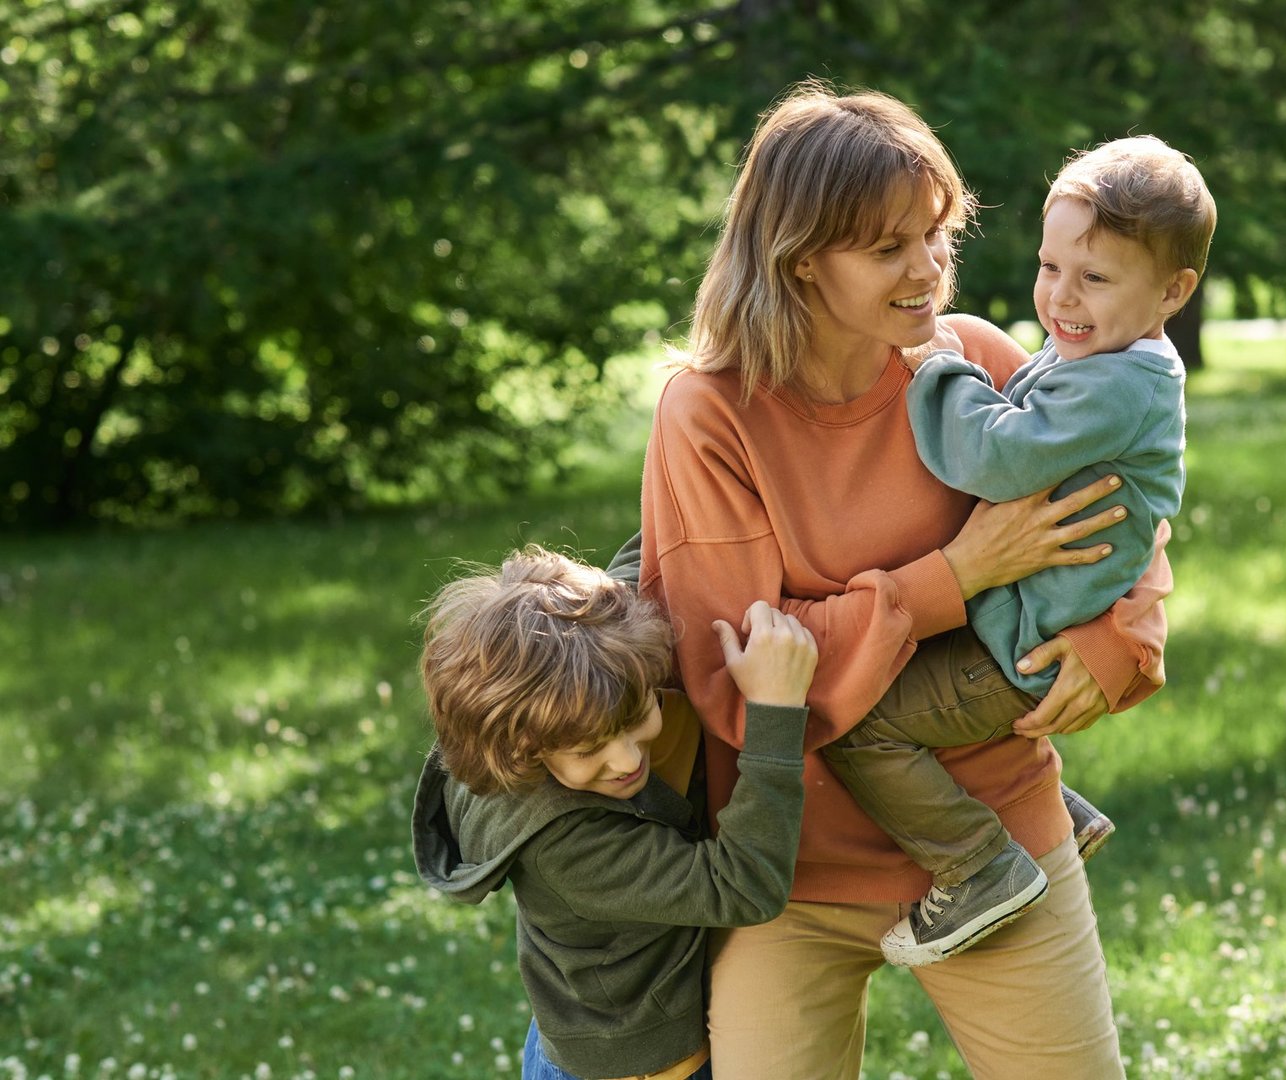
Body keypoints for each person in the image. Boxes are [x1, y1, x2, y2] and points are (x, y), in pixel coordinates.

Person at [636, 80, 1174, 1079]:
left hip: (1001, 842)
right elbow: (737, 673)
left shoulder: (972, 362)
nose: (930, 268)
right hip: (786, 872)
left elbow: (1125, 514)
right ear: (800, 262)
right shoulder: (709, 417)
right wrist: (956, 576)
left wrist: (1121, 643)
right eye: (889, 248)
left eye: (937, 233)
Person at [821, 134, 1215, 967]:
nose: (1061, 299)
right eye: (1050, 268)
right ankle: (1061, 814)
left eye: (1096, 278)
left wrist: (940, 368)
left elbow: (996, 455)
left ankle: (976, 866)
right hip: (1029, 622)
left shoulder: (1117, 384)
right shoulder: (1104, 357)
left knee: (863, 724)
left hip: (1025, 646)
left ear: (1173, 290)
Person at [411, 544, 819, 1080]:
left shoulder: (601, 664)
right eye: (588, 751)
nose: (627, 759)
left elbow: (654, 541)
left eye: (638, 713)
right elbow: (744, 884)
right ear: (525, 750)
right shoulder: (564, 843)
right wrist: (775, 711)